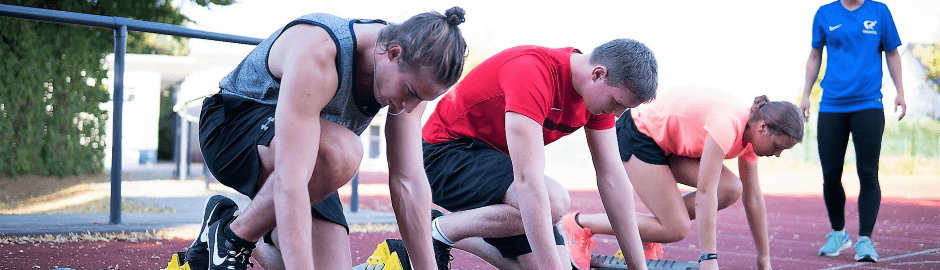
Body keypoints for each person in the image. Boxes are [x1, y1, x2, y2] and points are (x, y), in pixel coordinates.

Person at [182, 7, 468, 270]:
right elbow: (289, 179)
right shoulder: (321, 51)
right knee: (345, 151)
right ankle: (236, 239)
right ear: (393, 53)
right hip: (231, 129)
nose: (408, 107)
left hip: (309, 158)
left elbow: (408, 183)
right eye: (411, 93)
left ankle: (227, 230)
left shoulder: (410, 74)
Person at [421, 39, 658, 270]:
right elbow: (528, 180)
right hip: (444, 155)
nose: (617, 115)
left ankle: (443, 228)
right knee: (554, 201)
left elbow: (613, 180)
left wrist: (638, 267)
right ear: (598, 74)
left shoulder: (598, 97)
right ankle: (436, 232)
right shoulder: (532, 72)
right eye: (617, 103)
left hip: (494, 167)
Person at [559, 88, 805, 270]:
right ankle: (579, 224)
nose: (777, 154)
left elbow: (753, 199)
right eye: (777, 146)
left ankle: (648, 233)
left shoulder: (751, 137)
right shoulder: (727, 123)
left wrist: (765, 260)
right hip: (640, 135)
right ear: (763, 127)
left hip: (672, 148)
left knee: (732, 188)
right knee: (676, 227)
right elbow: (706, 193)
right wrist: (709, 258)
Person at [800, 0, 905, 263]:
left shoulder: (879, 12)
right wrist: (804, 96)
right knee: (830, 175)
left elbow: (892, 53)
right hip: (831, 104)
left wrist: (900, 91)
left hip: (868, 103)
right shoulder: (825, 14)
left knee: (868, 173)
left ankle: (865, 240)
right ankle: (839, 232)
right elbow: (815, 56)